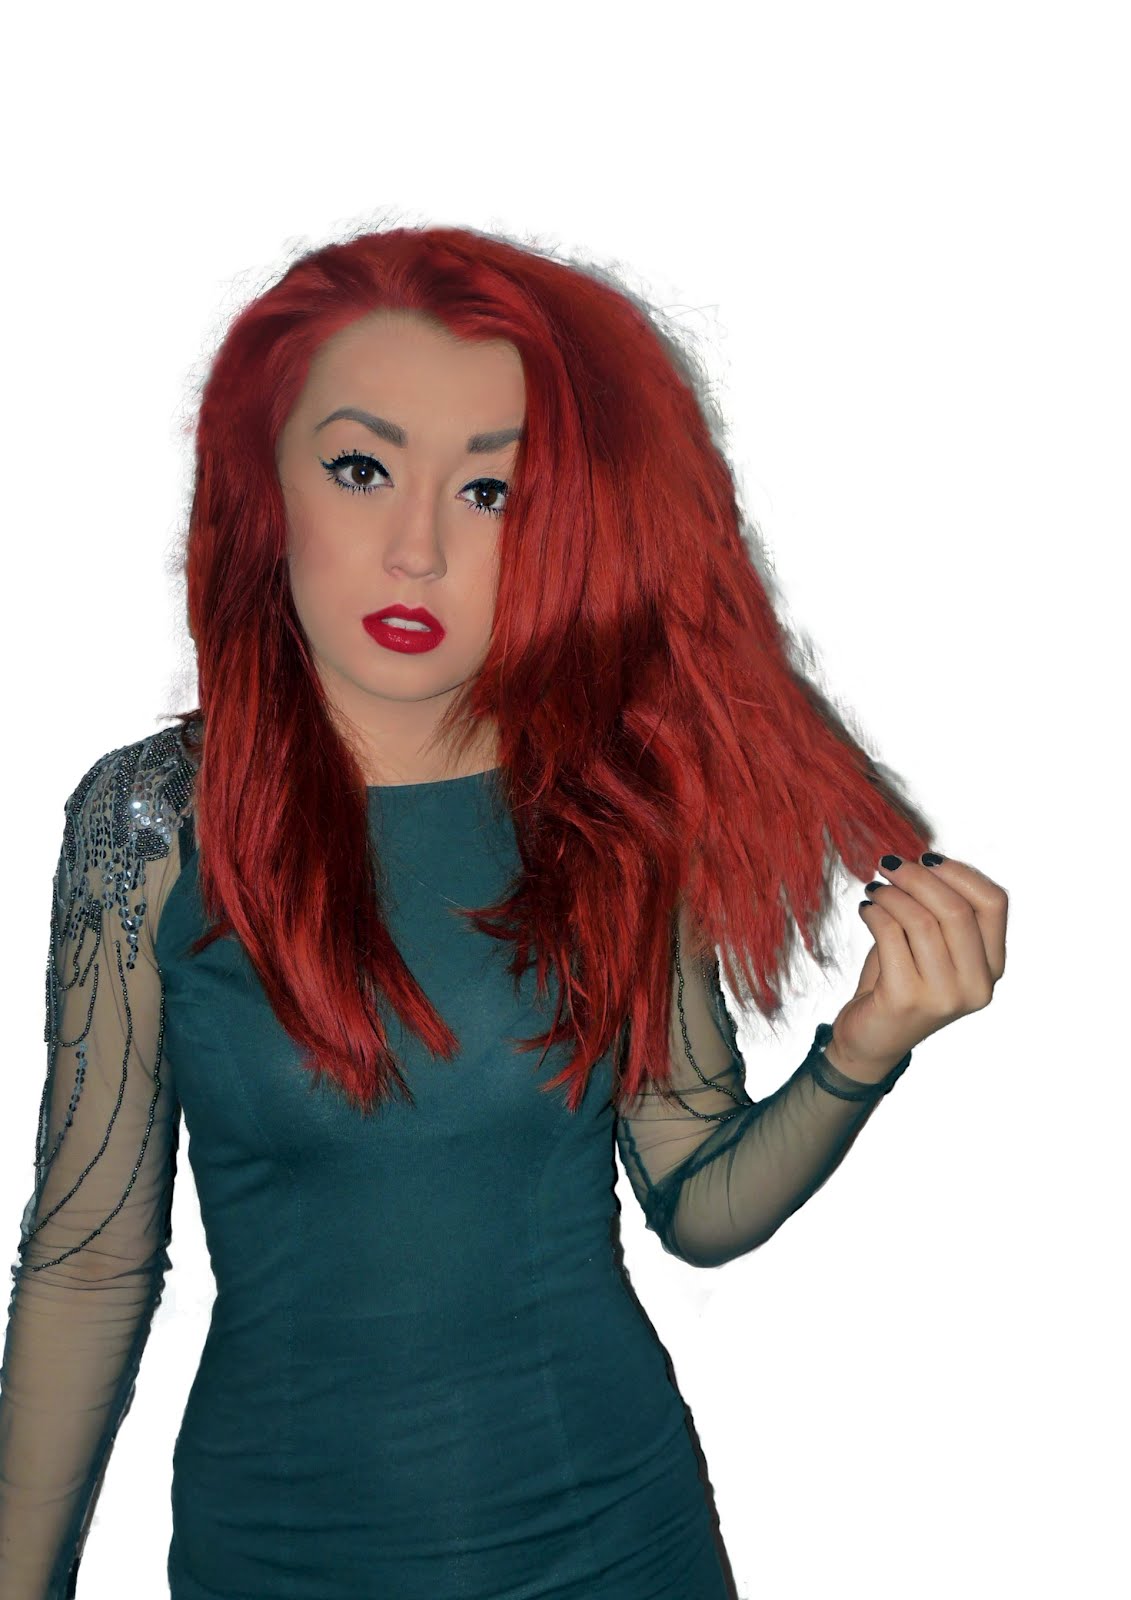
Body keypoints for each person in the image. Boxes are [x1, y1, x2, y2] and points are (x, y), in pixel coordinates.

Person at [0, 224, 1009, 1600]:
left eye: (489, 491)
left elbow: (698, 1196)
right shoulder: (149, 825)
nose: (416, 550)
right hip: (279, 1560)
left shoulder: (610, 809)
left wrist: (865, 1048)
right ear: (264, 483)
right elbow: (88, 1260)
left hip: (616, 1548)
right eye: (362, 469)